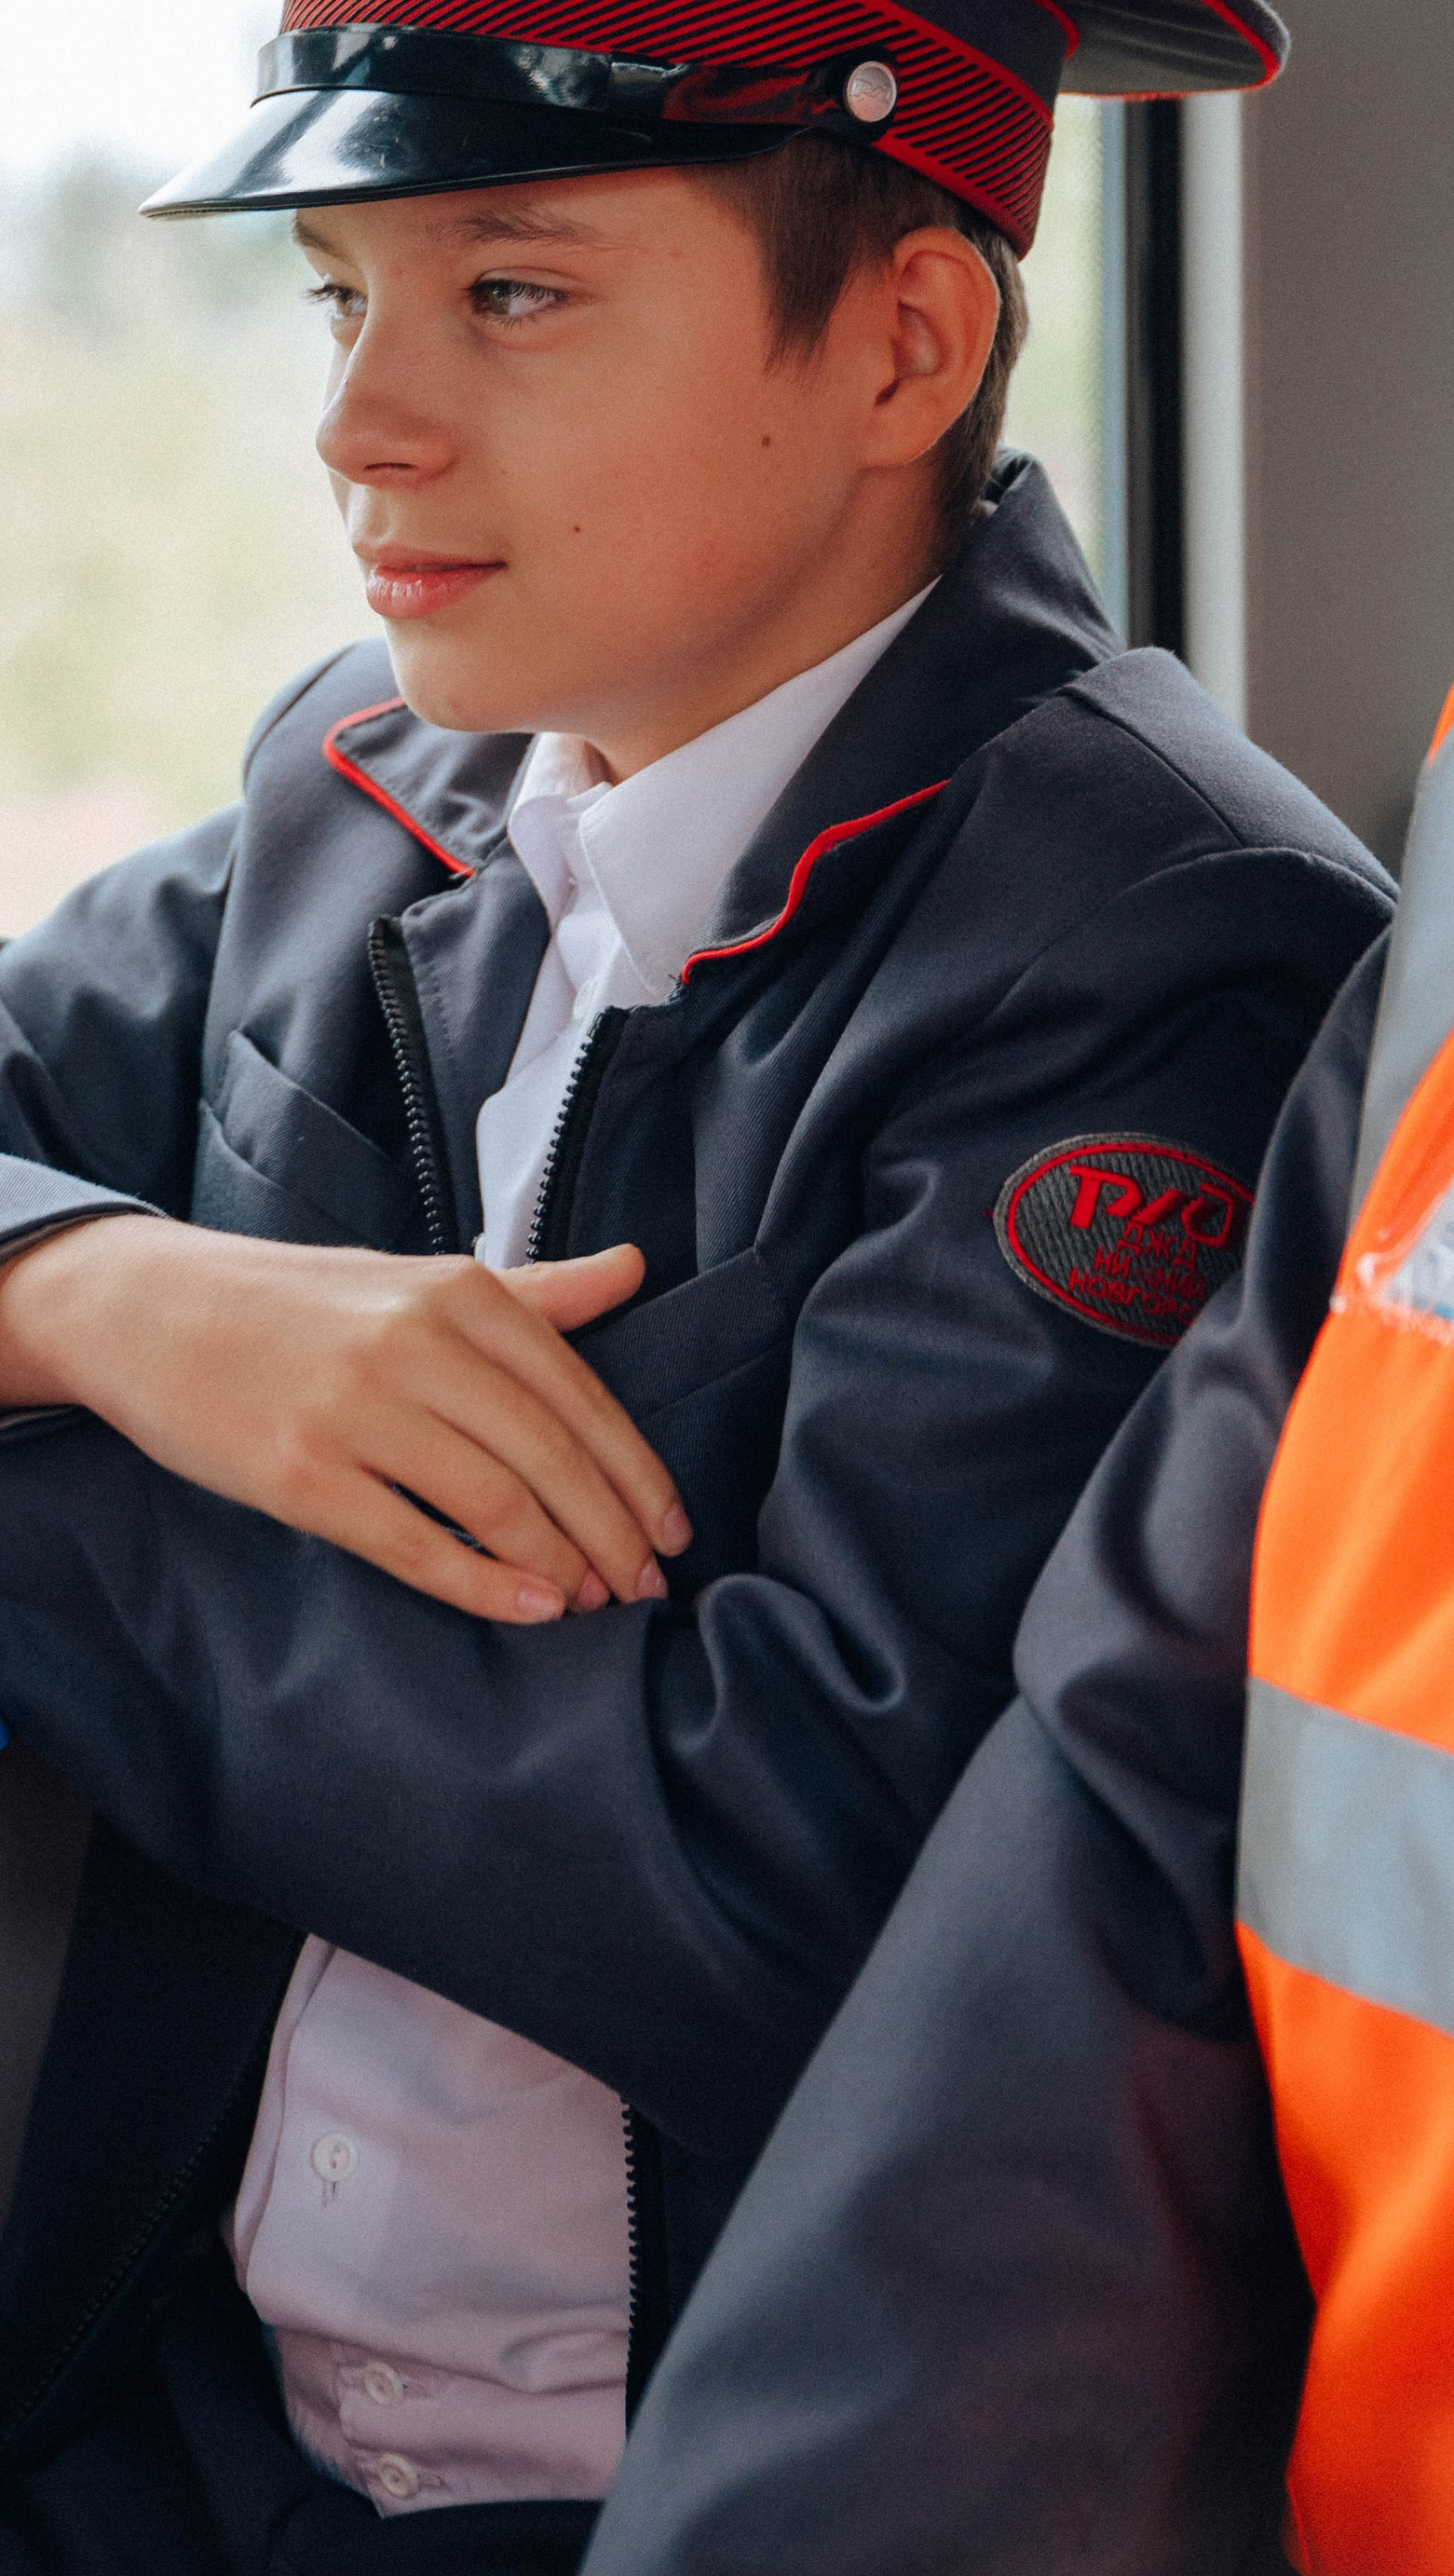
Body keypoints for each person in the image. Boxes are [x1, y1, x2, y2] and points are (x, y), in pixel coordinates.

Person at [0, 0, 1389, 2574]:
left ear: (903, 341)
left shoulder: (1163, 948)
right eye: (337, 298)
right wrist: (135, 1308)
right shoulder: (381, 808)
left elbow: (793, 1871)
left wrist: (53, 1515)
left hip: (736, 2486)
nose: (366, 430)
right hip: (221, 2447)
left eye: (510, 295)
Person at [573, 698, 1454, 2576]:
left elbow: (785, 1819)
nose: (358, 436)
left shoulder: (1143, 915)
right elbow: (1126, 1788)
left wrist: (67, 1531)